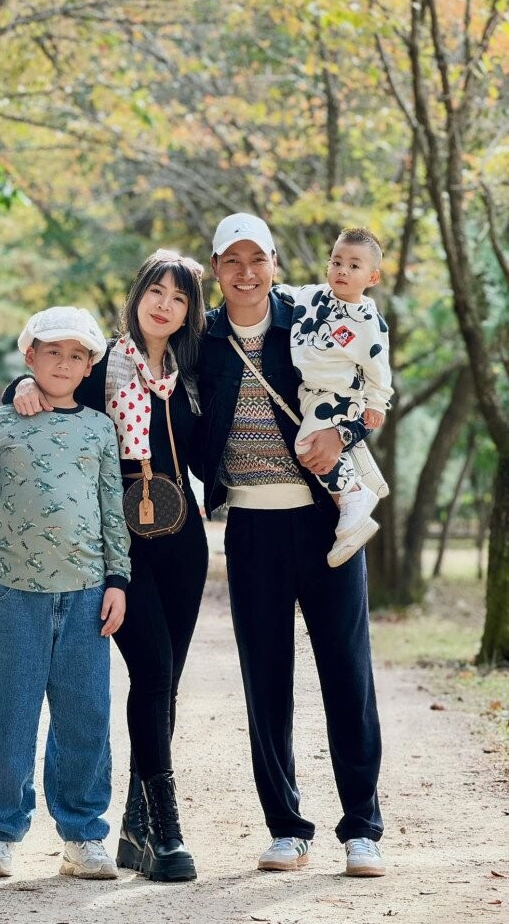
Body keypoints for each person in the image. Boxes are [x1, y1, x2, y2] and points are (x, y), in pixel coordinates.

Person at [8, 251, 208, 883]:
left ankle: (135, 829)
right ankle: (167, 831)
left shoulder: (190, 373)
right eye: (156, 291)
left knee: (166, 683)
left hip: (184, 540)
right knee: (151, 671)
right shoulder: (102, 366)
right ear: (137, 295)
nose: (165, 305)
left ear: (189, 311)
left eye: (179, 297)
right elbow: (50, 385)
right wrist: (22, 390)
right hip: (120, 544)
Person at [196, 213, 385, 879]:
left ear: (275, 263)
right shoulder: (202, 338)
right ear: (216, 269)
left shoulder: (309, 315)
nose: (246, 272)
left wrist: (345, 435)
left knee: (347, 673)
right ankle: (286, 828)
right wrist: (27, 386)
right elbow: (126, 363)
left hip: (326, 517)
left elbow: (366, 373)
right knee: (266, 680)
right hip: (252, 527)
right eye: (232, 261)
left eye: (258, 259)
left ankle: (362, 828)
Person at [0, 306, 131, 881]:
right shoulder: (1, 424)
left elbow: (112, 510)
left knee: (85, 715)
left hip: (87, 592)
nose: (63, 363)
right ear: (30, 356)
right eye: (52, 352)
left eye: (76, 355)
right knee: (10, 714)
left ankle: (82, 835)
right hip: (17, 592)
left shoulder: (99, 428)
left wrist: (118, 580)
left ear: (89, 366)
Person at [280, 227, 393, 567]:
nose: (342, 270)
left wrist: (377, 402)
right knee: (312, 443)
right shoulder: (313, 296)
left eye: (354, 266)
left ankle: (353, 496)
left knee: (306, 446)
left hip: (341, 394)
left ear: (372, 277)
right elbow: (286, 294)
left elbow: (378, 367)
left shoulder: (367, 322)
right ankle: (360, 477)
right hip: (311, 392)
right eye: (337, 262)